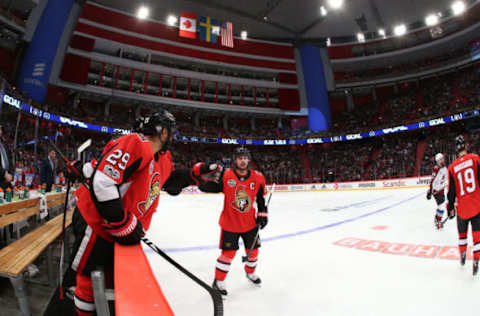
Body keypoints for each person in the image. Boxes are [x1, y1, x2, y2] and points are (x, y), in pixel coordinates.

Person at [70, 111, 217, 315]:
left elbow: (167, 182)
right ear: (163, 132)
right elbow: (103, 182)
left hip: (118, 228)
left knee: (110, 278)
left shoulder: (163, 157)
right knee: (88, 279)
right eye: (171, 133)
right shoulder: (136, 142)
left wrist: (193, 175)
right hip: (97, 223)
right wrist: (121, 222)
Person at [194, 147, 268, 296]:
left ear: (249, 159)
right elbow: (213, 187)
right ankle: (219, 281)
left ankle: (250, 273)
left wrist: (262, 215)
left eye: (245, 158)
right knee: (228, 254)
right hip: (230, 224)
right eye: (240, 158)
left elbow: (260, 199)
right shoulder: (226, 175)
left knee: (253, 252)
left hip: (250, 224)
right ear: (235, 160)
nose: (243, 160)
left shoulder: (258, 177)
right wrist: (200, 181)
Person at [446, 135, 480, 275]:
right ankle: (476, 259)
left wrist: (450, 210)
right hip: (477, 205)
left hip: (462, 210)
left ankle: (462, 256)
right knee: (477, 236)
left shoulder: (452, 168)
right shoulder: (476, 159)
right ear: (466, 146)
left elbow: (451, 193)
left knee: (462, 235)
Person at [426, 153, 448, 229]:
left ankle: (437, 219)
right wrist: (430, 191)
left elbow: (446, 178)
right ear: (437, 161)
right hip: (436, 191)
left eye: (442, 158)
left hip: (441, 190)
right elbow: (432, 180)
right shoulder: (436, 168)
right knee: (441, 206)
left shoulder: (445, 168)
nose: (442, 160)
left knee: (441, 206)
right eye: (440, 159)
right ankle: (437, 220)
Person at [0, 124, 13, 191]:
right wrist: (5, 174)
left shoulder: (4, 144)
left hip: (7, 181)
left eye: (1, 129)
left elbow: (9, 161)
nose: (1, 131)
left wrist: (11, 174)